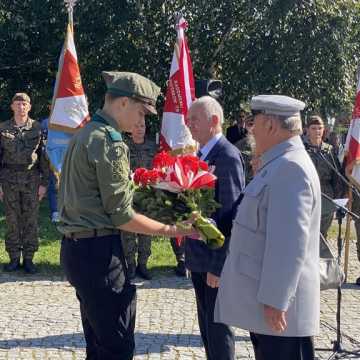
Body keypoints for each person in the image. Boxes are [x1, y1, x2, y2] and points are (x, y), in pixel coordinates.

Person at [58, 71, 197, 360]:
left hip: (77, 250)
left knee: (98, 345)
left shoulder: (85, 134)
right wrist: (173, 230)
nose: (142, 121)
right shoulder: (109, 141)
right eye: (141, 112)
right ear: (123, 103)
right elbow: (121, 215)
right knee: (117, 348)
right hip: (99, 255)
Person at [215, 95, 321, 360]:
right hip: (272, 310)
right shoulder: (278, 164)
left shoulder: (290, 168)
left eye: (254, 123)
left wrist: (276, 300)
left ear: (271, 126)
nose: (250, 130)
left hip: (281, 314)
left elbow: (289, 243)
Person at [185, 96, 245, 360]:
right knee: (207, 328)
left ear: (214, 121)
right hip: (198, 257)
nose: (188, 124)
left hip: (213, 261)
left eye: (194, 119)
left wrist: (218, 266)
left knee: (218, 330)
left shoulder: (228, 157)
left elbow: (232, 217)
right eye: (188, 119)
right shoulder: (200, 154)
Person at [0, 93, 49, 274]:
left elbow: (44, 157)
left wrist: (44, 183)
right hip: (8, 179)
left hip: (32, 179)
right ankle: (13, 258)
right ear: (12, 106)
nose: (21, 107)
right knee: (12, 221)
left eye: (24, 104)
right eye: (18, 103)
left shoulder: (37, 128)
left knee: (30, 220)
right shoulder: (3, 128)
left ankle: (29, 259)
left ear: (29, 107)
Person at [122, 120, 157, 280]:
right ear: (130, 129)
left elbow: (157, 169)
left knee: (146, 231)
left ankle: (143, 264)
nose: (139, 129)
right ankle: (130, 264)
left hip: (147, 195)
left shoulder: (152, 147)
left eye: (142, 126)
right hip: (129, 194)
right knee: (128, 231)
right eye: (136, 125)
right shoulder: (123, 146)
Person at [303, 115, 344, 238]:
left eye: (319, 128)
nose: (317, 131)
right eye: (314, 128)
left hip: (326, 195)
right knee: (306, 234)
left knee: (322, 234)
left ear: (324, 129)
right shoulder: (301, 149)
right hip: (306, 195)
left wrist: (338, 201)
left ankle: (319, 256)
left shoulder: (329, 150)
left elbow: (337, 177)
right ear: (307, 130)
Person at [41, 108, 60, 223]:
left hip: (66, 157)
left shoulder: (69, 122)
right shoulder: (45, 123)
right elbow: (42, 140)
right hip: (52, 157)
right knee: (54, 185)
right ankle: (55, 211)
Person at [235, 114, 255, 185]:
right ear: (246, 125)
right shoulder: (240, 144)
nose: (252, 126)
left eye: (253, 123)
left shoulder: (266, 142)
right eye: (250, 124)